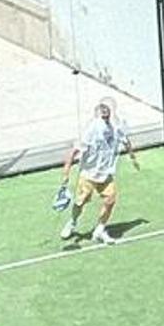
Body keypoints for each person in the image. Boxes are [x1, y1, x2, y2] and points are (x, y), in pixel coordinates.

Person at [59, 98, 131, 245]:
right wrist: (67, 171)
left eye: (107, 108)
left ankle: (99, 230)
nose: (104, 111)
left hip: (106, 174)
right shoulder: (92, 129)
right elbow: (74, 151)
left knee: (110, 200)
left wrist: (132, 155)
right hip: (88, 174)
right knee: (80, 202)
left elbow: (125, 140)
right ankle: (72, 222)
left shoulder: (117, 128)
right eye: (102, 108)